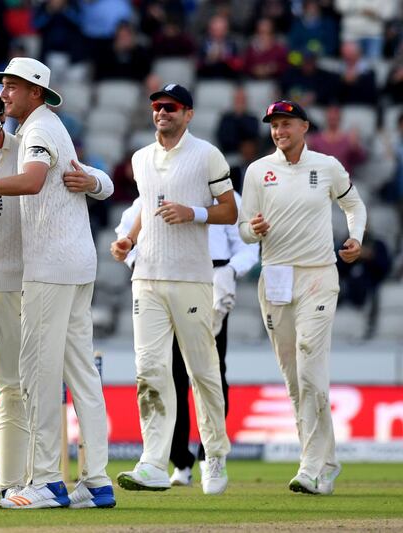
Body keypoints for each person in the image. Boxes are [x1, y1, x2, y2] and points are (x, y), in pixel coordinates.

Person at [0, 57, 115, 510]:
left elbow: (32, 183)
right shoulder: (50, 127)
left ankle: (49, 482)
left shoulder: (35, 131)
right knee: (82, 376)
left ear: (35, 91)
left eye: (11, 87)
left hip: (49, 267)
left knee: (38, 375)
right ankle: (96, 482)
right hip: (75, 264)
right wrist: (93, 180)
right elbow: (92, 179)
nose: (4, 94)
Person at [110, 83, 235, 495]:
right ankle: (152, 462)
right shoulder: (141, 157)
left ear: (188, 114)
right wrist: (129, 238)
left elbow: (229, 210)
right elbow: (147, 206)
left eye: (171, 107)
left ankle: (213, 454)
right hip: (146, 277)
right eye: (157, 107)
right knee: (149, 372)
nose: (162, 113)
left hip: (192, 278)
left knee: (202, 372)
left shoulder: (207, 155)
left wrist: (193, 213)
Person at [238, 99, 367, 495]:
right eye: (274, 125)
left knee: (312, 366)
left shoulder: (326, 166)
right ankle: (326, 465)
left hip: (317, 275)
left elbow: (354, 205)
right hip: (275, 278)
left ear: (305, 127)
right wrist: (253, 229)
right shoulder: (258, 171)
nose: (279, 131)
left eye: (286, 123)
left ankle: (310, 466)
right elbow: (244, 229)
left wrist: (355, 238)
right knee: (296, 380)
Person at [114, 193, 259, 486]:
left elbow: (247, 243)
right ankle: (179, 462)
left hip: (212, 280)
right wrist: (133, 261)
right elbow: (125, 233)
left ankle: (211, 455)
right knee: (172, 374)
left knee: (210, 372)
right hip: (164, 281)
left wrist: (230, 271)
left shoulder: (222, 194)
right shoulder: (154, 189)